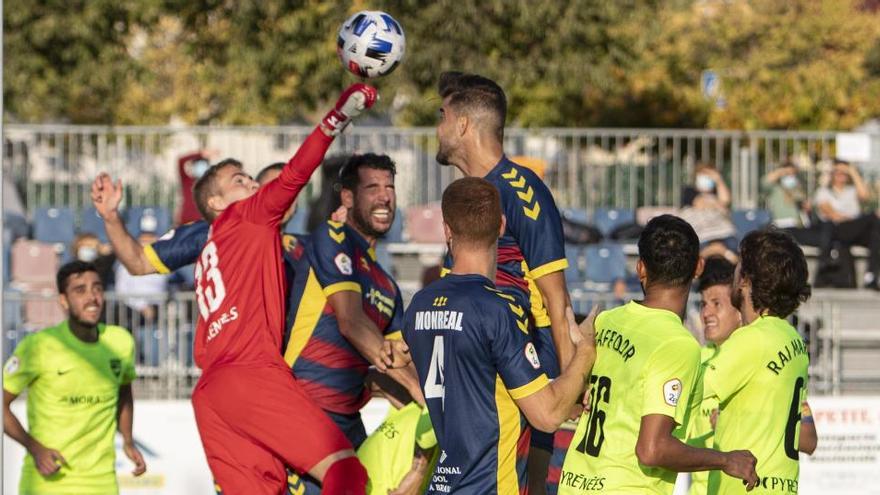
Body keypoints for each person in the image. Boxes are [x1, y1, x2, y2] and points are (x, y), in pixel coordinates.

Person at [93, 83, 382, 494]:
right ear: (216, 202)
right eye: (240, 179)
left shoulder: (210, 235)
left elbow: (138, 262)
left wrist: (109, 218)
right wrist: (338, 115)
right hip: (253, 373)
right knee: (346, 471)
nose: (251, 183)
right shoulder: (249, 216)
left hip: (212, 392)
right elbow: (297, 170)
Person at [404, 177, 598, 494]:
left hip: (442, 485)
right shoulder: (498, 310)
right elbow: (547, 415)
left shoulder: (420, 305)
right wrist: (586, 353)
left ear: (447, 230)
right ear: (502, 226)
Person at [434, 71, 572, 493]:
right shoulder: (470, 198)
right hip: (476, 386)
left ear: (462, 124)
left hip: (523, 382)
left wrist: (568, 384)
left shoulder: (519, 189)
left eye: (441, 116)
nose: (436, 128)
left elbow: (556, 300)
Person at [559, 215, 759, 495]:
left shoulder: (606, 321)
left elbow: (572, 406)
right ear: (698, 267)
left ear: (640, 268)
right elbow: (652, 450)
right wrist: (726, 460)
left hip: (575, 484)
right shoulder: (676, 345)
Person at [282, 153, 427, 494]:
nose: (384, 196)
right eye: (372, 187)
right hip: (306, 410)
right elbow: (350, 322)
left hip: (347, 423)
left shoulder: (388, 286)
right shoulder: (332, 237)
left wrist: (425, 405)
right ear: (347, 197)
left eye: (390, 187)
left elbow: (393, 366)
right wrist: (424, 395)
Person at [3, 260, 146, 494]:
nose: (92, 297)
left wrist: (128, 440)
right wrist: (34, 448)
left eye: (97, 288)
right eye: (80, 290)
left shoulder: (120, 342)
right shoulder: (38, 346)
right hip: (47, 483)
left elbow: (124, 391)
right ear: (63, 300)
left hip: (101, 482)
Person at [687, 256, 816, 495]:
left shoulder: (760, 348)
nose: (706, 313)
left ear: (738, 308)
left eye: (717, 303)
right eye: (703, 304)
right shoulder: (696, 359)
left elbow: (809, 439)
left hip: (745, 488)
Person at [814, 159, 880, 289]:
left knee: (876, 234)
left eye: (844, 173)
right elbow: (830, 213)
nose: (841, 175)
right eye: (838, 172)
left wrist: (852, 171)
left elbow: (865, 196)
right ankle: (872, 276)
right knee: (873, 217)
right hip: (838, 229)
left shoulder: (852, 191)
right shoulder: (824, 192)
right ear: (832, 174)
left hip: (857, 230)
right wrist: (854, 220)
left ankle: (871, 275)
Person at [679, 163, 738, 262]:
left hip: (723, 233)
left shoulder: (716, 192)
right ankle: (719, 252)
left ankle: (716, 251)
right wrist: (719, 205)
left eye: (711, 176)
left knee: (733, 245)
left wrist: (719, 180)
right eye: (704, 175)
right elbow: (700, 203)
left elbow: (726, 201)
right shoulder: (689, 191)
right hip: (702, 234)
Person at [176, 150, 214, 225]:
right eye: (198, 165)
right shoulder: (186, 180)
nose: (201, 168)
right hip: (186, 221)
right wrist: (200, 154)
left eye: (203, 165)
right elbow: (181, 160)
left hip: (202, 223)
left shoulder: (209, 184)